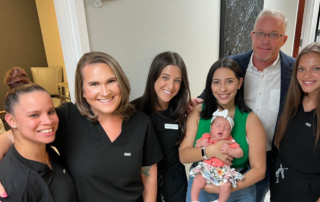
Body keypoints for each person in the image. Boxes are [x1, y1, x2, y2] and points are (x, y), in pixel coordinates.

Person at [0, 52, 163, 202]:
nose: (105, 92)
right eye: (94, 84)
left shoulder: (141, 123)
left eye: (111, 81)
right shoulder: (67, 118)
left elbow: (148, 172)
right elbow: (20, 132)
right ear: (82, 91)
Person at [192, 9, 296, 202]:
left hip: (266, 160)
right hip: (224, 158)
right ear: (252, 35)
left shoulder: (294, 71)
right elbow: (213, 92)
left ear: (284, 39)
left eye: (274, 34)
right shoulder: (235, 63)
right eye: (260, 33)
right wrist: (198, 101)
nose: (265, 40)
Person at [180, 57, 266, 202]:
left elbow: (259, 170)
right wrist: (210, 151)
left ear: (239, 83)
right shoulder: (197, 112)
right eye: (216, 82)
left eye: (229, 81)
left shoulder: (250, 120)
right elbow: (184, 155)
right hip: (201, 187)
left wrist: (227, 186)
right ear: (210, 85)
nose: (222, 88)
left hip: (238, 189)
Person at [0, 67, 77, 202]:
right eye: (34, 115)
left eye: (51, 112)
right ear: (11, 120)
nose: (48, 121)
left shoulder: (47, 152)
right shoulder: (15, 184)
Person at [132, 51, 190, 202]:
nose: (171, 86)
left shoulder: (182, 110)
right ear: (154, 76)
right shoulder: (133, 110)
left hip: (175, 182)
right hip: (143, 180)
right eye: (165, 77)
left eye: (177, 80)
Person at [270, 42, 320, 202]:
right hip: (280, 184)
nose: (307, 75)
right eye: (301, 69)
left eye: (316, 68)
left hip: (309, 193)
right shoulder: (291, 103)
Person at [190, 109, 244, 202]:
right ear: (211, 128)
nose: (221, 129)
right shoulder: (206, 137)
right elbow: (196, 147)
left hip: (222, 170)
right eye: (218, 126)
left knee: (226, 186)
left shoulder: (229, 141)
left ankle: (221, 201)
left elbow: (240, 153)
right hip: (206, 167)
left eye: (226, 128)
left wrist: (230, 150)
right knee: (197, 180)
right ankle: (194, 200)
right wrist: (200, 144)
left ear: (230, 132)